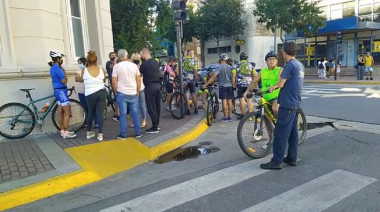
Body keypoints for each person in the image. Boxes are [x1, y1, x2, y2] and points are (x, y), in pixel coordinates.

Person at [260, 42, 304, 170]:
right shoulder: (299, 65)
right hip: (295, 103)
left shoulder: (290, 65)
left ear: (285, 52)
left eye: (282, 52)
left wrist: (272, 87)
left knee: (280, 133)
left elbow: (281, 84)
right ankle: (291, 158)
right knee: (292, 133)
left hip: (287, 103)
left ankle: (276, 160)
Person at [112, 49, 142, 139]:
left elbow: (114, 82)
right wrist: (137, 90)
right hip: (133, 92)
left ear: (119, 57)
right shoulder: (134, 66)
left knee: (123, 114)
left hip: (121, 92)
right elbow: (138, 80)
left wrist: (115, 91)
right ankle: (138, 132)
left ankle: (123, 134)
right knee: (135, 113)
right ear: (127, 55)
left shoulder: (116, 67)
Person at [78, 51, 107, 141]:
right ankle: (100, 134)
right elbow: (104, 79)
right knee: (99, 113)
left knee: (91, 112)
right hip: (101, 92)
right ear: (96, 60)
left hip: (90, 93)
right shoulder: (101, 69)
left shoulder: (84, 70)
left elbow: (82, 79)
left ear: (87, 61)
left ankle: (89, 132)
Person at [48, 50, 76, 139]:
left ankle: (62, 131)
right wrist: (65, 72)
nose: (62, 59)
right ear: (58, 59)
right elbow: (64, 80)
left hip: (57, 91)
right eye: (61, 58)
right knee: (68, 112)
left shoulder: (52, 67)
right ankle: (66, 132)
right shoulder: (57, 68)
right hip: (61, 91)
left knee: (60, 112)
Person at [244, 51, 282, 117]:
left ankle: (281, 124)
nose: (272, 61)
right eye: (269, 59)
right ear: (266, 61)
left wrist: (274, 87)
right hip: (265, 97)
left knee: (275, 109)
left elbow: (280, 82)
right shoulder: (263, 71)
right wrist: (247, 91)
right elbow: (253, 82)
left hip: (277, 96)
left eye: (274, 59)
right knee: (266, 117)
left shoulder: (280, 70)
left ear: (277, 61)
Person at [202, 53, 235, 122]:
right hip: (230, 86)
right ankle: (229, 117)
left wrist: (206, 84)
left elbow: (214, 76)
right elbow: (233, 77)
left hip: (223, 86)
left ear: (220, 59)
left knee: (224, 101)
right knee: (230, 101)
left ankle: (225, 117)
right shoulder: (230, 67)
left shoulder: (219, 67)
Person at [140, 48, 161, 133]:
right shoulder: (156, 62)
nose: (142, 57)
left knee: (151, 106)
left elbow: (140, 73)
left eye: (142, 55)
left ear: (145, 53)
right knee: (157, 106)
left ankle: (154, 127)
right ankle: (156, 124)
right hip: (157, 85)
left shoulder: (144, 64)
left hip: (149, 86)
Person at [75, 57, 99, 129]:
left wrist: (83, 77)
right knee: (84, 108)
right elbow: (77, 79)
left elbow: (85, 79)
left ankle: (97, 123)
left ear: (85, 63)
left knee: (92, 107)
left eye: (81, 63)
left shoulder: (90, 70)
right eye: (78, 63)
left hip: (89, 92)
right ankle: (86, 123)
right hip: (81, 91)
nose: (79, 64)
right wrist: (83, 74)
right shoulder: (78, 71)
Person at [234, 52, 256, 119]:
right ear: (247, 58)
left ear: (240, 58)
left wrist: (234, 85)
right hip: (249, 85)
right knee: (249, 100)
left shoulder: (236, 65)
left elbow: (234, 77)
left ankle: (243, 115)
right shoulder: (250, 65)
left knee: (241, 99)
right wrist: (253, 84)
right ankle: (250, 115)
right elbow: (254, 75)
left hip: (240, 84)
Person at [131, 53, 147, 128]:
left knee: (142, 105)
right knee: (135, 106)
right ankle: (136, 121)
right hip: (133, 88)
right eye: (136, 59)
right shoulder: (131, 67)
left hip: (140, 87)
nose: (137, 60)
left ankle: (144, 120)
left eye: (139, 59)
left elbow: (141, 75)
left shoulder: (142, 66)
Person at [183, 50, 199, 115]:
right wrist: (196, 81)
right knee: (193, 94)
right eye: (192, 53)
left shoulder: (182, 60)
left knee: (186, 95)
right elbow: (195, 72)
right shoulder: (194, 62)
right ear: (190, 54)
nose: (193, 54)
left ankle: (188, 109)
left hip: (184, 80)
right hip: (191, 79)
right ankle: (196, 109)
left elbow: (177, 70)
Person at [105, 52, 120, 121]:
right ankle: (117, 113)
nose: (113, 57)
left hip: (120, 81)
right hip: (113, 82)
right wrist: (115, 61)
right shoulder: (108, 63)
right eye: (112, 56)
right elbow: (113, 66)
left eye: (115, 55)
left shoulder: (118, 62)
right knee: (116, 97)